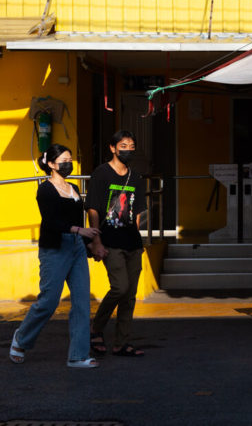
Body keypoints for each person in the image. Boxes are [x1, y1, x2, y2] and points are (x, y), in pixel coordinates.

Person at [9, 144, 101, 368]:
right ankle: (21, 339)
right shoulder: (45, 190)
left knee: (81, 302)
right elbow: (51, 222)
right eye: (63, 160)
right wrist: (78, 230)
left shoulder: (74, 188)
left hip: (77, 247)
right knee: (49, 301)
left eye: (70, 159)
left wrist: (91, 244)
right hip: (55, 248)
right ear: (51, 164)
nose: (68, 163)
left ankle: (78, 356)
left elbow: (80, 223)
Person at [87, 130, 147, 357]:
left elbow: (138, 211)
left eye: (131, 146)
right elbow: (93, 208)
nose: (128, 150)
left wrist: (136, 235)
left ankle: (122, 342)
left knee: (130, 294)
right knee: (120, 287)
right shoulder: (101, 174)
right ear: (112, 148)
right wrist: (96, 240)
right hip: (109, 241)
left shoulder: (136, 177)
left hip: (132, 242)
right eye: (123, 145)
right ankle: (96, 327)